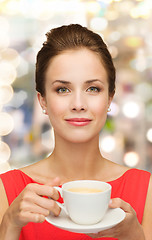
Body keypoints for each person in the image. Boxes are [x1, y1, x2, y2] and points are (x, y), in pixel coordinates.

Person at [0, 24, 151, 240]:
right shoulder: (7, 191)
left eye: (93, 89)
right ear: (42, 100)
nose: (78, 104)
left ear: (109, 98)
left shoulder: (146, 191)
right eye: (62, 89)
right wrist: (9, 226)